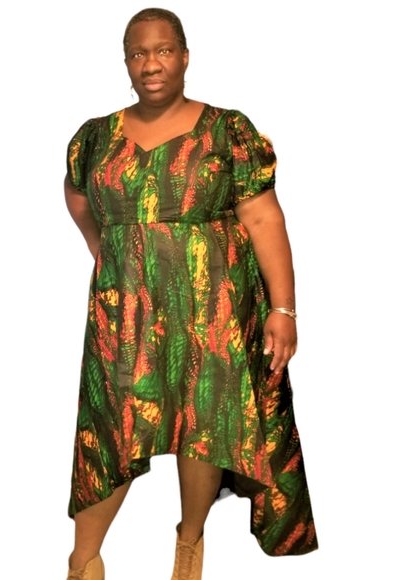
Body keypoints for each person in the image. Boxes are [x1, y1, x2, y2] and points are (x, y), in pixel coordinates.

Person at [63, 8, 318, 579]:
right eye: (138, 53)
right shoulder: (94, 136)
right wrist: (114, 254)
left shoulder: (228, 131)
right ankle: (83, 559)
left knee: (207, 423)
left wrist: (283, 308)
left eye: (162, 51)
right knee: (112, 427)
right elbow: (79, 200)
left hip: (215, 305)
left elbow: (264, 220)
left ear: (183, 56)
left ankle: (190, 540)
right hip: (125, 312)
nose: (150, 64)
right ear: (126, 62)